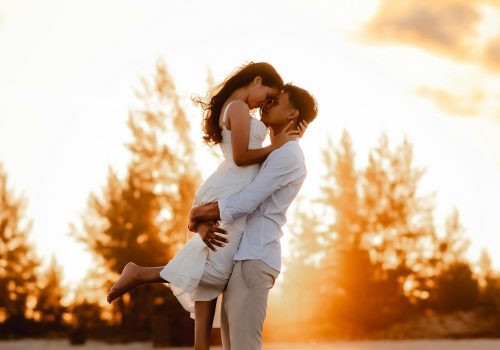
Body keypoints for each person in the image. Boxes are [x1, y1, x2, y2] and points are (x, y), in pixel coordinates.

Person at [106, 62, 306, 350]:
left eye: (273, 101)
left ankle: (201, 344)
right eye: (268, 94)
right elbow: (240, 157)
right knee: (215, 271)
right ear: (257, 79)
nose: (265, 103)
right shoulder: (237, 108)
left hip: (229, 188)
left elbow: (261, 163)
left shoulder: (239, 110)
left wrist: (285, 141)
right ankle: (142, 273)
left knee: (210, 266)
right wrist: (276, 146)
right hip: (230, 189)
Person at [189, 83, 318, 350]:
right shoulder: (277, 152)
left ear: (292, 115)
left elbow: (247, 201)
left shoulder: (288, 155)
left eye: (277, 101)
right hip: (244, 258)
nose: (267, 104)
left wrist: (202, 212)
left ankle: (141, 275)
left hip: (254, 258)